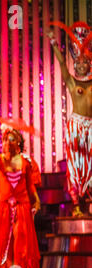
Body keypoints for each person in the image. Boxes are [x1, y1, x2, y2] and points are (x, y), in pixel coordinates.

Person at [0, 124, 41, 268]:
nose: (7, 143)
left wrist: (35, 202)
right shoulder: (0, 160)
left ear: (18, 143)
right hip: (4, 208)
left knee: (20, 240)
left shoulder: (25, 162)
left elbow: (30, 185)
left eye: (11, 139)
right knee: (5, 242)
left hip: (22, 207)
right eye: (5, 140)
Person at [47, 21, 91, 216]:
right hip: (76, 127)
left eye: (85, 62)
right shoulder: (72, 82)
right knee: (75, 166)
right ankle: (75, 205)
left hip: (91, 129)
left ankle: (88, 202)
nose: (81, 65)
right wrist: (54, 44)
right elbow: (62, 64)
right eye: (78, 62)